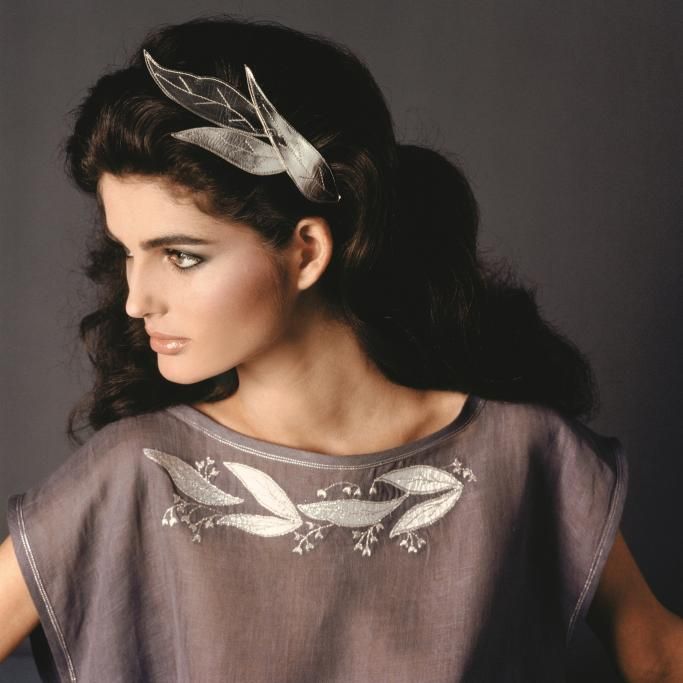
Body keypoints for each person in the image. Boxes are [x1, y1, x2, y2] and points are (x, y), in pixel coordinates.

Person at [1, 13, 681, 683]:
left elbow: (657, 656)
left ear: (306, 252)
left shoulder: (525, 454)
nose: (136, 301)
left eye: (181, 255)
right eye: (128, 253)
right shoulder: (137, 472)